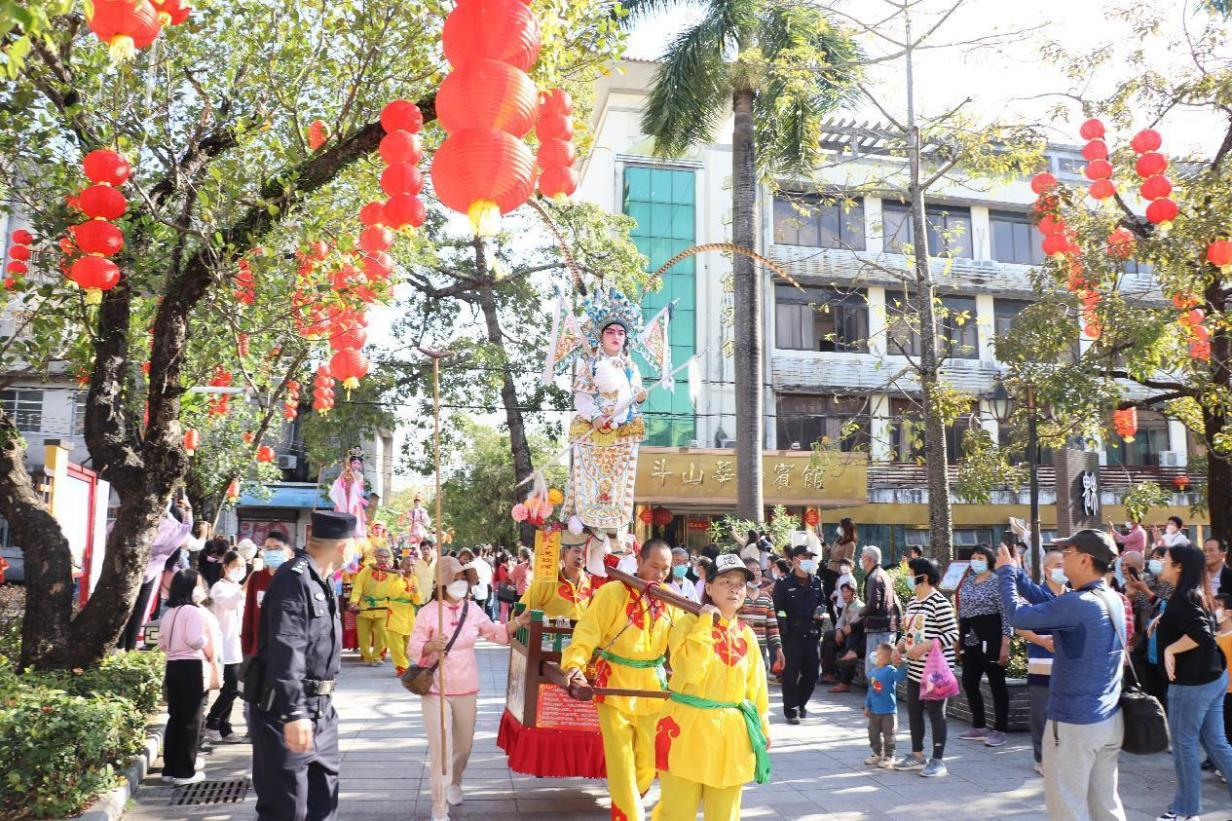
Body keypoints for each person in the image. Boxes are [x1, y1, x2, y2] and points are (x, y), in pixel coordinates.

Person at [994, 530, 1127, 821]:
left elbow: (1018, 616)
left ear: (1085, 560)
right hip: (1107, 719)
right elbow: (1050, 603)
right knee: (1106, 807)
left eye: (1067, 553)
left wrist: (1005, 574)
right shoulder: (1109, 597)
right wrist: (1018, 576)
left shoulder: (1078, 604)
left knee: (1067, 808)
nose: (1061, 559)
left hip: (1074, 726)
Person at [248, 511, 354, 821]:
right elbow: (287, 647)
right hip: (285, 711)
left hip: (321, 709)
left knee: (324, 805)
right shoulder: (293, 579)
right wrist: (294, 711)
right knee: (287, 809)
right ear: (343, 546)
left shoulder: (323, 580)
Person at [561, 539, 676, 821]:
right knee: (621, 764)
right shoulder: (612, 592)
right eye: (654, 566)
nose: (660, 574)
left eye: (666, 568)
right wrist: (575, 664)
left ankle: (631, 803)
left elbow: (684, 642)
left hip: (652, 687)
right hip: (614, 686)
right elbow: (588, 631)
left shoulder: (671, 599)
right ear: (639, 560)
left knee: (649, 762)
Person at [408, 556, 529, 821]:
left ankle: (455, 781)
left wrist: (518, 622)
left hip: (466, 687)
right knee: (441, 749)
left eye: (464, 578)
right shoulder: (428, 612)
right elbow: (412, 648)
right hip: (436, 690)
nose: (461, 583)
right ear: (443, 582)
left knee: (463, 746)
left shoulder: (472, 610)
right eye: (456, 578)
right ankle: (439, 807)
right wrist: (429, 647)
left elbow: (495, 633)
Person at [652, 553, 770, 821]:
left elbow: (756, 688)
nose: (734, 589)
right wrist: (705, 623)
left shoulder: (746, 634)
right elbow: (690, 671)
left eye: (740, 584)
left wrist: (762, 728)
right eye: (726, 582)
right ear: (708, 587)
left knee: (725, 815)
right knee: (677, 813)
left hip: (731, 735)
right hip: (687, 729)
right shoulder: (688, 623)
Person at [1153, 543, 1232, 821]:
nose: (1160, 563)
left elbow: (1201, 633)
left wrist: (1170, 649)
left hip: (1192, 684)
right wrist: (1163, 619)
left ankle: (1185, 811)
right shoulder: (1194, 594)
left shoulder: (1185, 597)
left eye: (1166, 559)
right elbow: (1198, 623)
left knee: (1184, 745)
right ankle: (1186, 809)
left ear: (1179, 567)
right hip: (1212, 678)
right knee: (1216, 743)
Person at [894, 557, 958, 778]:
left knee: (936, 713)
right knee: (914, 712)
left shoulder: (939, 602)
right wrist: (899, 647)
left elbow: (953, 634)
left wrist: (927, 645)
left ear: (925, 576)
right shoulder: (913, 602)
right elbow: (909, 633)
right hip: (914, 669)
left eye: (911, 573)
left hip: (936, 671)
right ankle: (917, 754)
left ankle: (938, 760)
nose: (908, 577)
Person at [1005, 547, 1067, 775]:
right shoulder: (1035, 595)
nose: (1063, 570)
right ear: (1046, 570)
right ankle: (1041, 758)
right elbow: (1020, 626)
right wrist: (1041, 641)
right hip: (1042, 665)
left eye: (1065, 565)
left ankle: (1062, 756)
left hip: (1066, 669)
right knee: (1041, 714)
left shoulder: (1072, 596)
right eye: (1058, 566)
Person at [158, 569, 221, 785]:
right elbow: (195, 640)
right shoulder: (194, 612)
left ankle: (170, 768)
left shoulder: (169, 612)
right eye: (198, 585)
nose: (201, 589)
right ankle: (185, 772)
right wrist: (205, 642)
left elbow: (162, 643)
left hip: (172, 665)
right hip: (191, 666)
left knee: (175, 718)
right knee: (191, 719)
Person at [956, 544, 1013, 748]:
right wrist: (958, 639)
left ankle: (1000, 729)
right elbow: (961, 610)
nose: (976, 561)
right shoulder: (968, 581)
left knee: (997, 683)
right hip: (970, 636)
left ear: (989, 560)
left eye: (980, 558)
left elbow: (1006, 613)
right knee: (969, 681)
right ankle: (979, 725)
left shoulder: (996, 582)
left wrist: (1005, 641)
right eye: (974, 557)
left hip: (991, 635)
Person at [120, 497, 193, 651]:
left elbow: (111, 530)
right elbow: (187, 527)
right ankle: (129, 649)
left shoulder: (139, 521)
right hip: (150, 575)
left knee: (123, 608)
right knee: (139, 612)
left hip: (127, 571)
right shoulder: (175, 529)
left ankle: (119, 645)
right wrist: (188, 509)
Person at [773, 544, 824, 725]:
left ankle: (801, 702)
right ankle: (791, 709)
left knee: (813, 674)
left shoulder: (816, 582)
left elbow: (822, 603)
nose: (809, 561)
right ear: (795, 560)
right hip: (792, 636)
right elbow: (777, 610)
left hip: (811, 633)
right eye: (805, 557)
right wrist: (781, 633)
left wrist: (820, 612)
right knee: (790, 674)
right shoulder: (784, 583)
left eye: (811, 557)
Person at [205, 551, 247, 743]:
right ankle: (212, 721)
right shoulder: (219, 587)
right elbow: (230, 604)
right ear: (225, 567)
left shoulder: (238, 587)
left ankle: (224, 726)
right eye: (236, 566)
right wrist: (247, 585)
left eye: (243, 566)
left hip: (237, 645)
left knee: (232, 688)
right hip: (224, 645)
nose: (240, 570)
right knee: (232, 687)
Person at [349, 544, 403, 666]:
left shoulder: (393, 573)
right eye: (380, 557)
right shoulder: (365, 571)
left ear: (389, 558)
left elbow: (398, 590)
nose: (382, 559)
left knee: (382, 634)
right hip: (365, 606)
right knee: (364, 635)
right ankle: (366, 657)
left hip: (383, 607)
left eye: (385, 557)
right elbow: (358, 588)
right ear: (375, 557)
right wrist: (354, 602)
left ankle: (377, 657)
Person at [241, 531, 292, 659]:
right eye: (268, 548)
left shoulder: (295, 580)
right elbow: (248, 615)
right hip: (259, 651)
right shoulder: (256, 578)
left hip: (285, 652)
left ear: (289, 552)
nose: (272, 552)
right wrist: (246, 648)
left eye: (277, 548)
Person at [518, 534, 593, 621]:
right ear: (565, 552)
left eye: (584, 553)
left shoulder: (591, 585)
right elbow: (521, 611)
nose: (580, 557)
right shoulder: (546, 582)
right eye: (576, 551)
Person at [857, 545, 901, 680]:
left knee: (874, 672)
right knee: (884, 671)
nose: (861, 560)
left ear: (868, 559)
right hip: (887, 627)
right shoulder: (883, 574)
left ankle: (876, 694)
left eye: (862, 557)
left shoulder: (874, 577)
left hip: (878, 629)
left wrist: (861, 611)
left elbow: (873, 605)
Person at [738, 557, 783, 680]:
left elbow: (772, 626)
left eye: (758, 569)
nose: (756, 573)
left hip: (760, 649)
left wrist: (778, 648)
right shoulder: (737, 596)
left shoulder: (766, 597)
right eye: (752, 570)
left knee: (758, 684)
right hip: (739, 648)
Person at [865, 642, 907, 769]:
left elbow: (900, 677)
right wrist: (867, 706)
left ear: (885, 657)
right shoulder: (872, 672)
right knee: (873, 733)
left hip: (888, 711)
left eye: (878, 652)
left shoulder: (890, 670)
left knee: (889, 735)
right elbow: (870, 691)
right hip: (874, 711)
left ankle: (889, 756)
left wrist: (901, 665)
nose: (875, 654)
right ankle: (877, 753)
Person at [821, 582, 864, 693]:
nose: (844, 594)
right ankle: (829, 674)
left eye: (847, 591)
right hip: (845, 636)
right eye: (843, 592)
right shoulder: (847, 605)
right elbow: (841, 621)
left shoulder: (859, 606)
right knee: (830, 645)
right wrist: (839, 631)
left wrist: (840, 632)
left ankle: (843, 682)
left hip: (855, 639)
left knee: (828, 635)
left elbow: (852, 626)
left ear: (854, 593)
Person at [386, 556, 419, 676]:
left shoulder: (414, 579)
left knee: (408, 643)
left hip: (409, 614)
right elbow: (393, 594)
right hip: (395, 613)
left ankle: (406, 665)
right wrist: (400, 579)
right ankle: (401, 667)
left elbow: (417, 601)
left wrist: (416, 592)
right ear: (401, 566)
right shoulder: (394, 577)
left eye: (413, 565)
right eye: (408, 565)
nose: (410, 568)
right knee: (396, 644)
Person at [415, 539, 438, 606]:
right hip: (417, 598)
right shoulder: (416, 564)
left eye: (427, 549)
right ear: (420, 550)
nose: (425, 551)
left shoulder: (437, 564)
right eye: (423, 549)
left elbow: (438, 579)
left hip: (432, 598)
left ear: (432, 549)